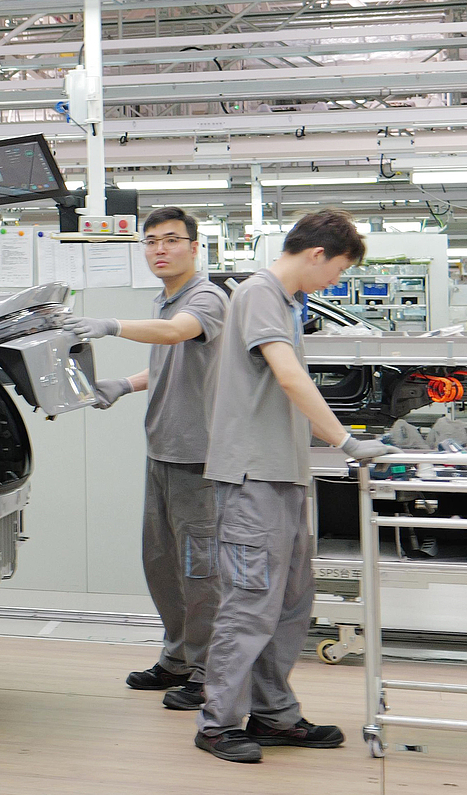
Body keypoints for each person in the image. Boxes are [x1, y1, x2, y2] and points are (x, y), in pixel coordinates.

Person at [195, 210, 394, 763]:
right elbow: (289, 376)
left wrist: (341, 437)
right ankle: (217, 722)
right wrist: (347, 445)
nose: (335, 282)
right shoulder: (260, 294)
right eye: (337, 271)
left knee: (289, 604)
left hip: (282, 476)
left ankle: (273, 714)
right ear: (316, 254)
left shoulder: (283, 303)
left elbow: (289, 394)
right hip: (251, 479)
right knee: (250, 603)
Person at [64, 207, 229, 711]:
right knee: (161, 564)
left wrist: (110, 324)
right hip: (162, 452)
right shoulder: (166, 300)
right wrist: (124, 384)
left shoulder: (205, 298)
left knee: (200, 572)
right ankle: (178, 658)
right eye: (151, 241)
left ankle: (208, 674)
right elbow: (169, 363)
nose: (160, 249)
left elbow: (178, 334)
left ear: (195, 247)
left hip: (198, 459)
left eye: (172, 240)